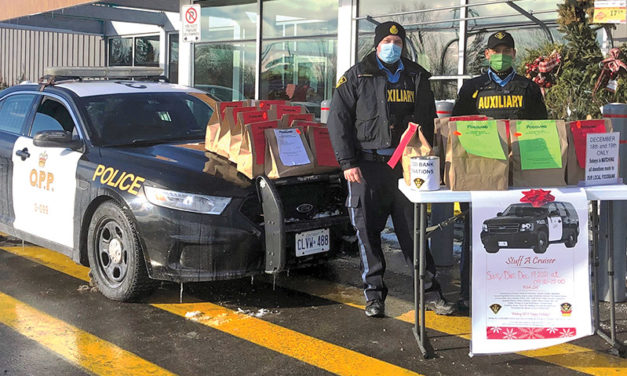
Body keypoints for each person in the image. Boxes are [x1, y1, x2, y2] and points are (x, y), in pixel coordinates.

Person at [327, 21, 455, 318]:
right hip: (367, 168)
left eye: (398, 42)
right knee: (367, 233)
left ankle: (431, 294)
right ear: (376, 44)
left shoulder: (416, 76)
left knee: (414, 232)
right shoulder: (356, 76)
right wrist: (347, 163)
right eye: (387, 41)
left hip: (408, 169)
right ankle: (374, 295)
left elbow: (429, 121)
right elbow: (338, 121)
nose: (393, 46)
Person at [452, 30, 548, 314]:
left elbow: (541, 129)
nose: (502, 55)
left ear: (515, 54)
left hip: (518, 175)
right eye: (497, 50)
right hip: (480, 174)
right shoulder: (472, 88)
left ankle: (515, 294)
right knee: (476, 236)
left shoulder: (528, 88)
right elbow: (457, 131)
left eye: (508, 50)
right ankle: (469, 295)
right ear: (487, 55)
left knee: (519, 235)